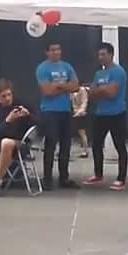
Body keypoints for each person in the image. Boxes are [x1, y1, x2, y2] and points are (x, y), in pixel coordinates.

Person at [83, 43, 128, 191]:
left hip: (117, 114)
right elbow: (92, 93)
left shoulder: (118, 72)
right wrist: (102, 89)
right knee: (96, 144)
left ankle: (121, 179)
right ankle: (98, 174)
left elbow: (112, 93)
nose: (100, 57)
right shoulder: (99, 74)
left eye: (103, 54)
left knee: (119, 146)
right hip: (101, 113)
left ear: (111, 54)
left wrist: (99, 89)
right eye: (99, 55)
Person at [36, 41, 80, 190]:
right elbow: (47, 91)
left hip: (65, 110)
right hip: (49, 110)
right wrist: (64, 86)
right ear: (46, 52)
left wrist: (58, 85)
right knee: (51, 144)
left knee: (66, 145)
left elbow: (75, 87)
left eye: (58, 49)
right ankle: (47, 178)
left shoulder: (67, 66)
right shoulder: (42, 68)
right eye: (53, 50)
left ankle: (64, 178)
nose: (56, 52)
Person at [71, 86, 89, 158]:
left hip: (81, 114)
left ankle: (85, 151)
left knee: (82, 133)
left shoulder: (82, 90)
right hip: (73, 112)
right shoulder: (71, 91)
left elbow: (84, 102)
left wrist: (78, 113)